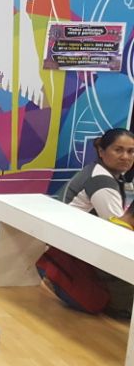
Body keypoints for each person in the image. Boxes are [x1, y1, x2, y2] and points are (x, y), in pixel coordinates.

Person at [39, 128, 134, 316]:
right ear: (101, 151)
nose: (125, 157)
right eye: (118, 150)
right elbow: (120, 232)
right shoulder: (102, 183)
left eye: (131, 151)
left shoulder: (98, 171)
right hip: (72, 257)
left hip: (71, 246)